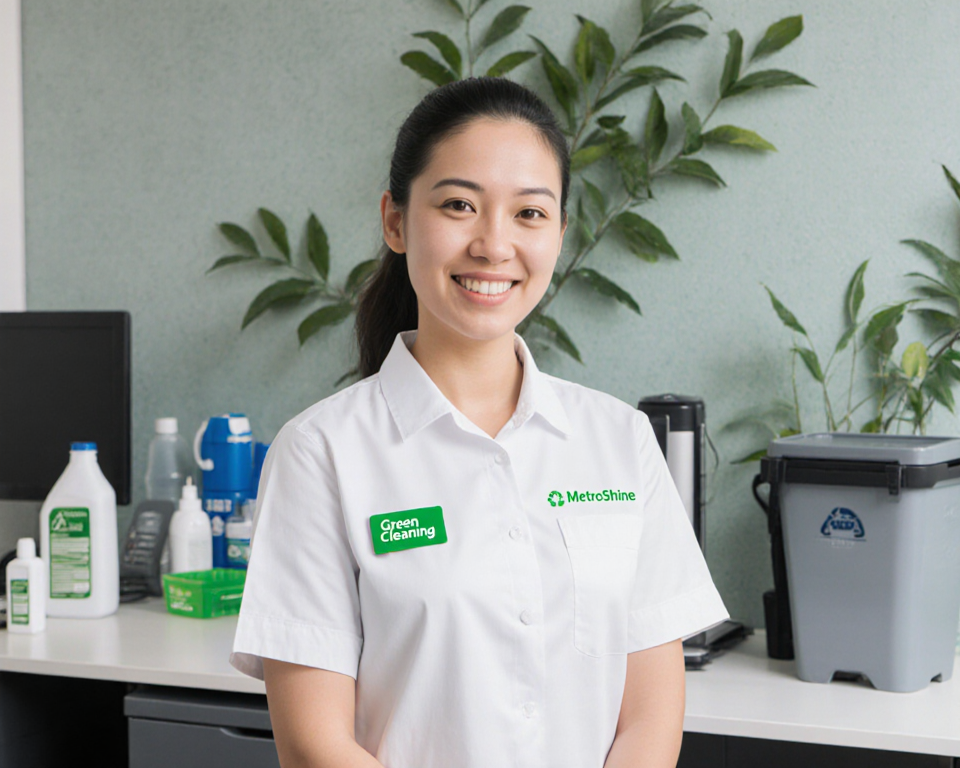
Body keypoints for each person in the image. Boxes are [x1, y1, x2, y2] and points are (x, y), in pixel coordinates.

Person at [231, 77, 728, 768]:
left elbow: (649, 713)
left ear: (558, 232)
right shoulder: (322, 452)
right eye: (460, 205)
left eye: (529, 213)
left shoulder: (619, 441)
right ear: (396, 221)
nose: (494, 246)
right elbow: (316, 745)